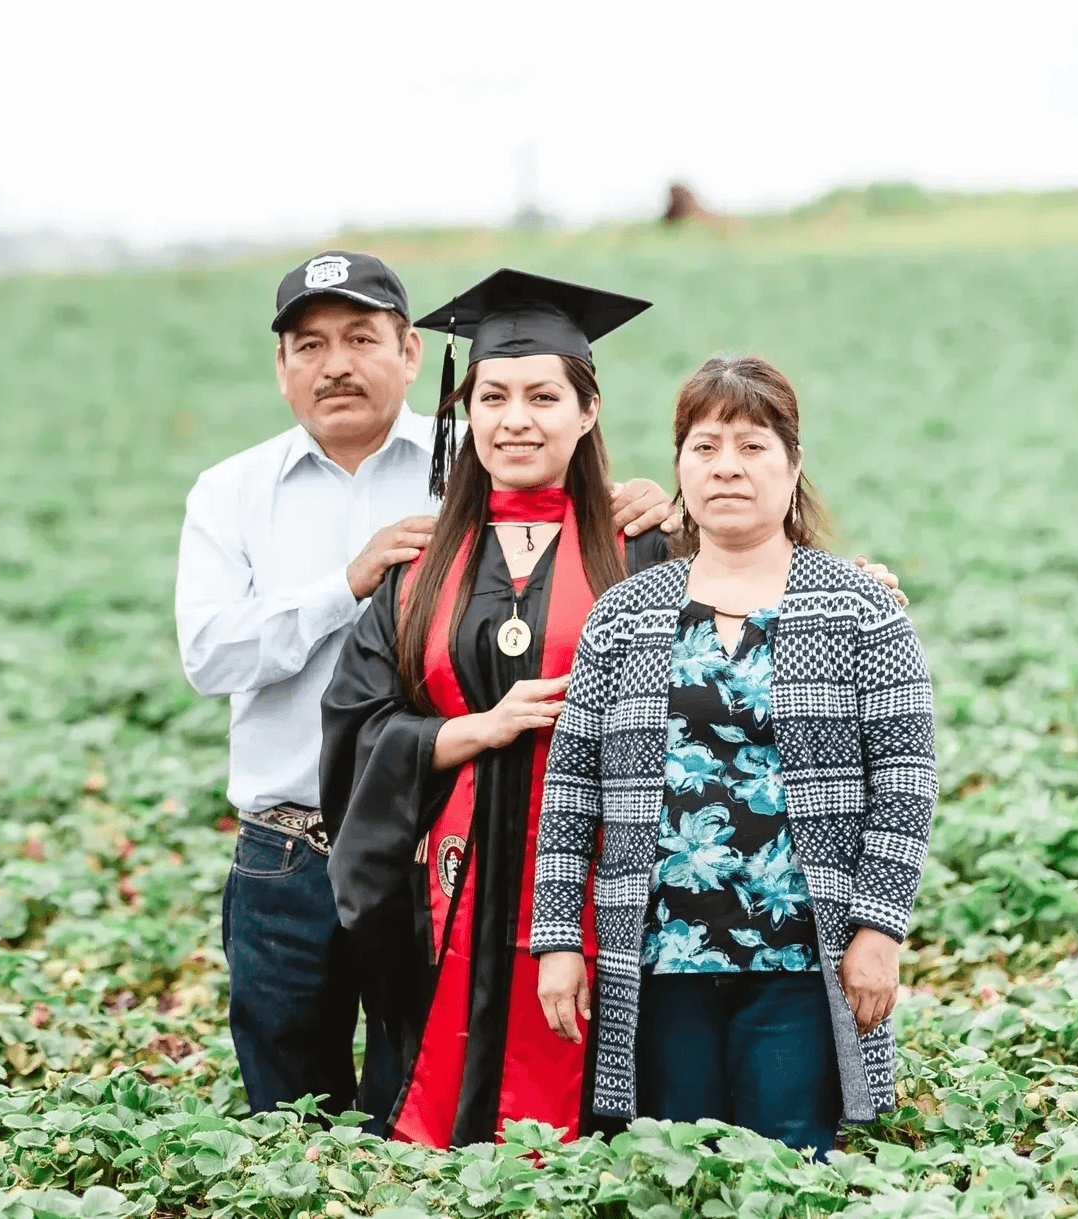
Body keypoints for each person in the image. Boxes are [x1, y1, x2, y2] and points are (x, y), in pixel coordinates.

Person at [175, 253, 677, 1123]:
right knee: (301, 1110)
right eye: (310, 343)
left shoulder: (471, 471)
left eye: (361, 338)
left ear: (412, 353)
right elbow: (214, 656)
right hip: (301, 851)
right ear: (282, 364)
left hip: (486, 870)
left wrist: (657, 508)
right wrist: (350, 582)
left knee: (471, 1083)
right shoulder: (236, 494)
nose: (336, 363)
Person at [531, 355, 937, 1160]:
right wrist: (555, 938)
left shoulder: (858, 608)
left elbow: (905, 780)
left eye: (752, 446)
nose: (726, 467)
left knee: (788, 1163)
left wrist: (878, 929)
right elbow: (572, 788)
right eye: (705, 445)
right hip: (658, 954)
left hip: (798, 951)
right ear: (679, 464)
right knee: (672, 1164)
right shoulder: (626, 614)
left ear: (793, 465)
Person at [319, 269, 681, 1148]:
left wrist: (860, 586)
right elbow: (353, 730)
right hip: (446, 893)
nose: (516, 418)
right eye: (494, 396)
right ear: (466, 410)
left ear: (587, 412)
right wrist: (464, 731)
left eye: (543, 396)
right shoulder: (419, 567)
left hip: (604, 891)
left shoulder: (646, 552)